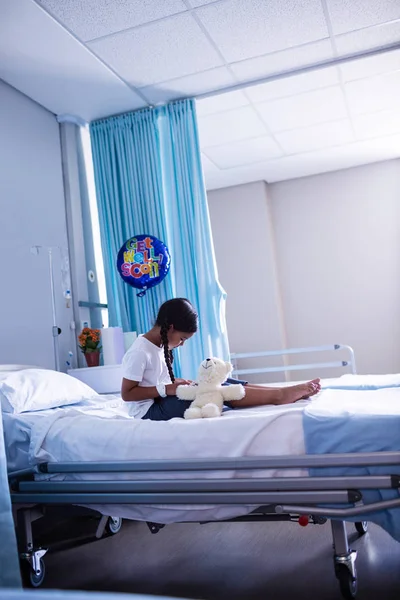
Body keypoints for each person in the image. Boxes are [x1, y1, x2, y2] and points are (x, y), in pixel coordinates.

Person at [121, 298, 321, 421]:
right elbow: (127, 394)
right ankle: (279, 397)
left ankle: (281, 391)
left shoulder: (159, 346)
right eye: (182, 338)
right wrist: (167, 389)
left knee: (214, 381)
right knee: (210, 392)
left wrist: (173, 384)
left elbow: (155, 382)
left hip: (160, 401)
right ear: (171, 327)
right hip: (148, 412)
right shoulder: (140, 351)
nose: (182, 344)